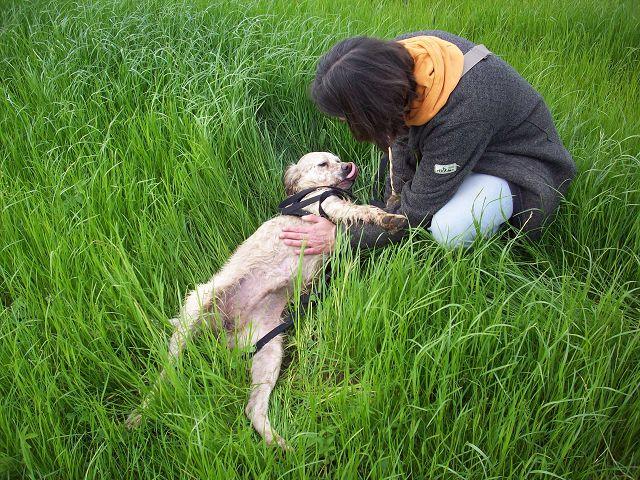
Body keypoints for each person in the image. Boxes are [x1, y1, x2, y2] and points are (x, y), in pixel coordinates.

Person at [280, 30, 576, 254]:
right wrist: (389, 205)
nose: (346, 123)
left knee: (448, 230)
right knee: (408, 193)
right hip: (470, 144)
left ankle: (501, 231)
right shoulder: (398, 62)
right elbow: (398, 137)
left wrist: (342, 238)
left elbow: (417, 211)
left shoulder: (466, 112)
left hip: (517, 165)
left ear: (376, 103)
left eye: (347, 116)